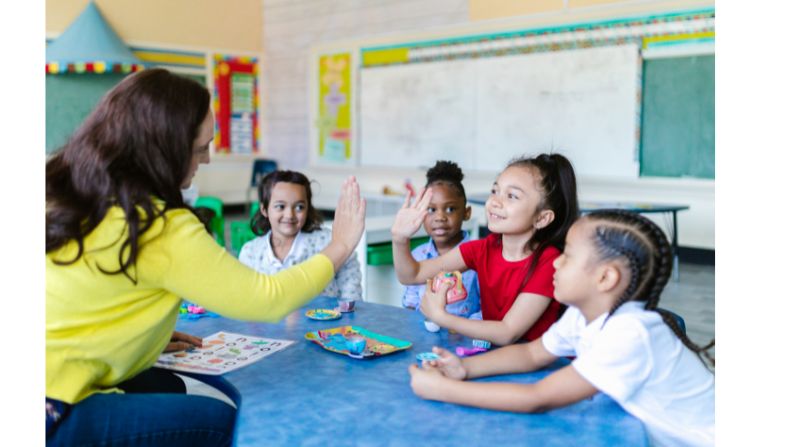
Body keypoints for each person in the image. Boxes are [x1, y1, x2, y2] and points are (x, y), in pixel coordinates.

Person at [46, 68, 366, 446]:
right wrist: (341, 244)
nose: (208, 159)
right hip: (51, 408)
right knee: (217, 419)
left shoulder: (78, 193)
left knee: (165, 385)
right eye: (200, 148)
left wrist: (142, 338)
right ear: (163, 148)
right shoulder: (155, 223)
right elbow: (267, 298)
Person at [408, 210, 715, 447]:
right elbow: (531, 354)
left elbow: (537, 398)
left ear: (605, 279)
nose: (555, 263)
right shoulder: (583, 316)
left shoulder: (630, 333)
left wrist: (445, 390)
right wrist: (464, 368)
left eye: (567, 256)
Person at [392, 153, 579, 345]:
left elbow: (508, 332)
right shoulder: (484, 248)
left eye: (512, 196)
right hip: (496, 356)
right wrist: (399, 239)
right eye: (495, 191)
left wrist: (442, 317)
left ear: (541, 218)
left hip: (536, 368)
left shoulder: (550, 262)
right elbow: (412, 275)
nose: (495, 202)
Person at [238, 170, 362, 303]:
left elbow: (351, 283)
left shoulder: (329, 242)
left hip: (328, 322)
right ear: (264, 210)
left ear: (308, 208)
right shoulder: (250, 252)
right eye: (280, 206)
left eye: (299, 207)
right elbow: (245, 300)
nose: (290, 215)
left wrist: (349, 313)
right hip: (268, 323)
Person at [400, 161, 481, 330]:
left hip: (465, 338)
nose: (440, 217)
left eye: (450, 209)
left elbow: (485, 310)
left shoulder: (479, 257)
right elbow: (410, 304)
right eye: (431, 210)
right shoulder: (417, 256)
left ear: (467, 213)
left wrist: (464, 329)